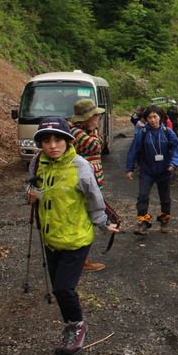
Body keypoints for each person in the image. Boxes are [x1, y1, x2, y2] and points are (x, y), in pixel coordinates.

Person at [25, 117, 119, 355]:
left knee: (64, 288)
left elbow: (94, 198)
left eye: (58, 140)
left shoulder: (80, 166)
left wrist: (103, 224)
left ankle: (76, 326)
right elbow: (32, 187)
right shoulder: (37, 162)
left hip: (76, 238)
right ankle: (71, 323)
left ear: (68, 141)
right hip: (51, 238)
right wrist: (31, 193)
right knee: (59, 290)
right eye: (46, 141)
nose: (52, 146)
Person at [125, 105, 178, 235]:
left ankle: (164, 220)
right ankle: (143, 222)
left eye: (155, 116)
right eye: (149, 117)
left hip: (164, 171)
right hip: (147, 171)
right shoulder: (143, 133)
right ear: (145, 119)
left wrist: (173, 164)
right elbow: (133, 151)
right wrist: (129, 168)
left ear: (160, 117)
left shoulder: (168, 132)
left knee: (165, 198)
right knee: (143, 196)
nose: (153, 120)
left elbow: (176, 149)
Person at [69, 98, 107, 272]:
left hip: (91, 182)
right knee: (84, 221)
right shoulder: (76, 132)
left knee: (87, 221)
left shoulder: (87, 130)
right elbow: (95, 145)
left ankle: (81, 258)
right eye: (95, 116)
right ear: (87, 118)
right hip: (83, 184)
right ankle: (80, 260)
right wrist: (94, 133)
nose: (97, 119)